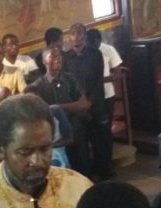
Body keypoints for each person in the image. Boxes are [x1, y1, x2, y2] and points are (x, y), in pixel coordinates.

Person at [27, 46, 90, 173]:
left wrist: (57, 107)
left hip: (74, 126)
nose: (58, 59)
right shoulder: (37, 87)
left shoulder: (69, 78)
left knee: (82, 164)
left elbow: (84, 104)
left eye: (59, 55)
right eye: (53, 56)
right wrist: (73, 106)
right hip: (54, 134)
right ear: (44, 61)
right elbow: (42, 112)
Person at [64, 23, 114, 180]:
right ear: (69, 37)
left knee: (100, 140)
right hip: (76, 107)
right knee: (80, 144)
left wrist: (89, 102)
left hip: (95, 103)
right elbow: (67, 84)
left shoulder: (95, 54)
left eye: (79, 33)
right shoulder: (65, 58)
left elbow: (98, 81)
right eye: (73, 34)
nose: (76, 37)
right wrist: (78, 104)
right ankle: (84, 176)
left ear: (84, 36)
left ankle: (104, 172)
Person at [85, 29, 123, 127]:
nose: (90, 46)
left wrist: (99, 81)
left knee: (106, 125)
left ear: (98, 41)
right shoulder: (83, 52)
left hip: (106, 95)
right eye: (88, 43)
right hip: (88, 97)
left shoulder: (108, 49)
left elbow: (118, 73)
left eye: (93, 43)